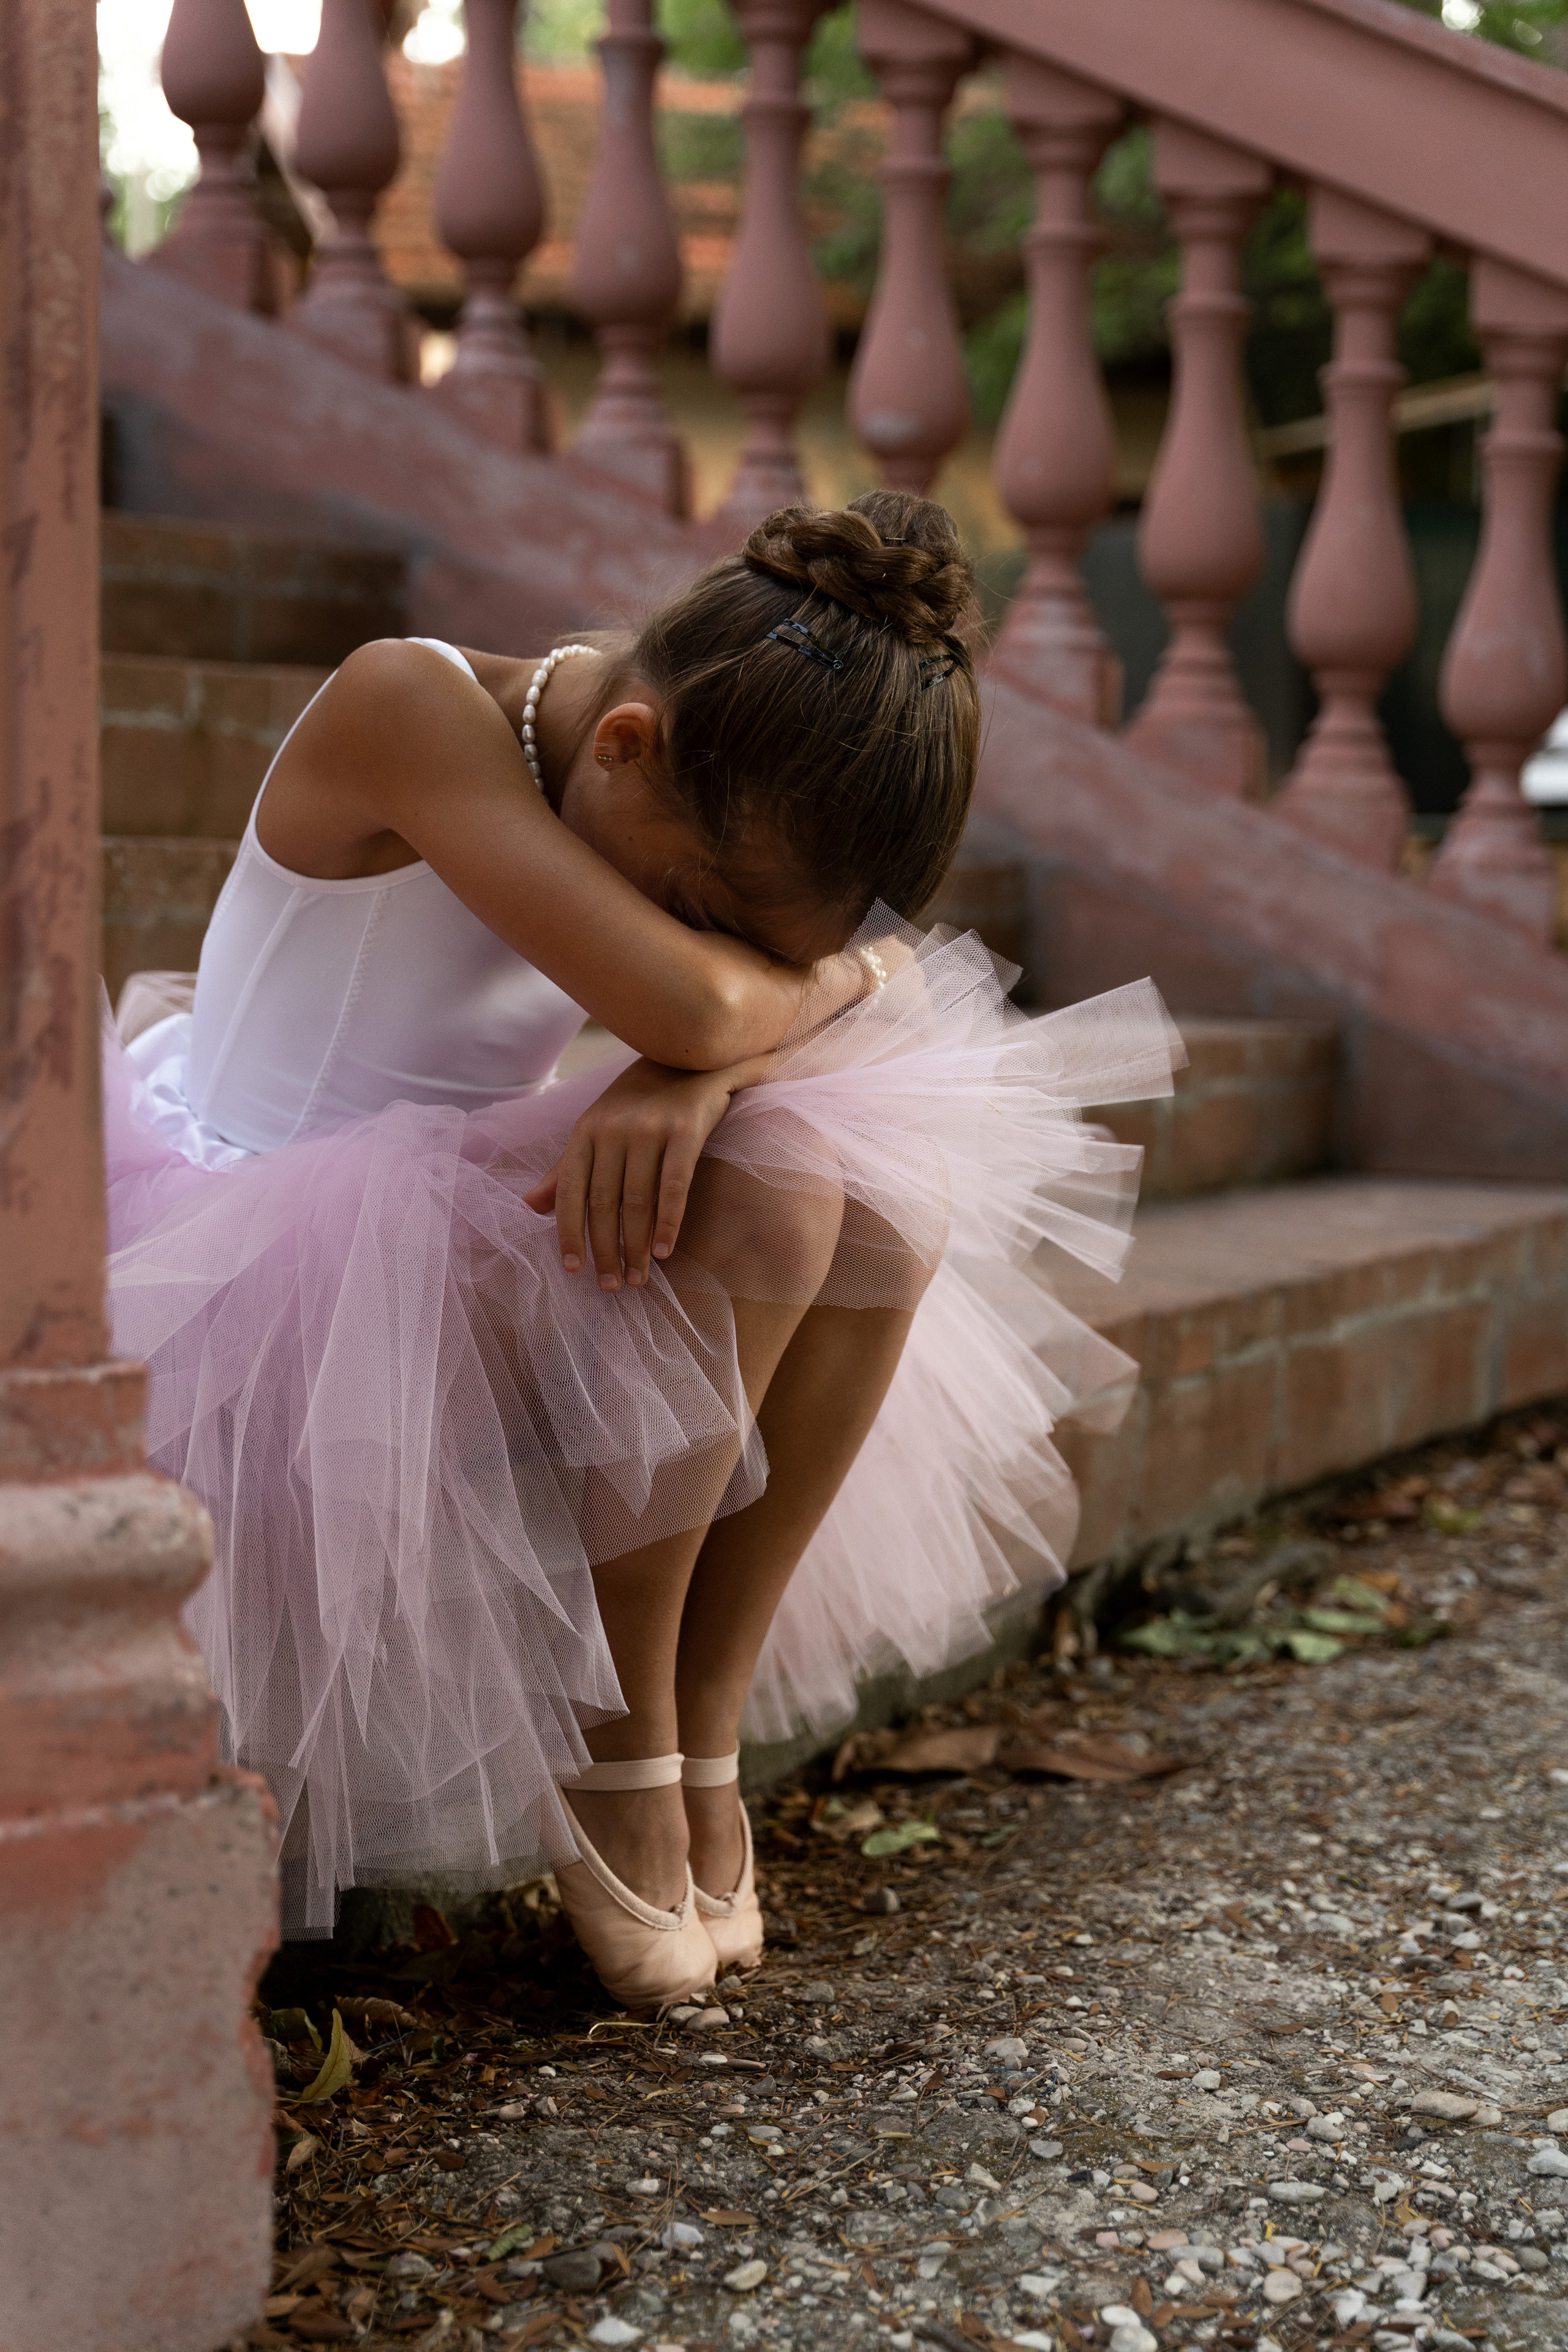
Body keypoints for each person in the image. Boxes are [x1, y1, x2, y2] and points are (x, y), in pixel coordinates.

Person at [104, 493, 1175, 2010]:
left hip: (451, 1217)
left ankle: (698, 1724)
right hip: (263, 1268)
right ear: (622, 745)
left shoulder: (652, 749)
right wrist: (703, 1040)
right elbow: (705, 1004)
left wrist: (701, 1071)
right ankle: (611, 1737)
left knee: (878, 1195)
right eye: (694, 909)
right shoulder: (405, 703)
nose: (711, 942)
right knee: (779, 1195)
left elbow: (802, 992)